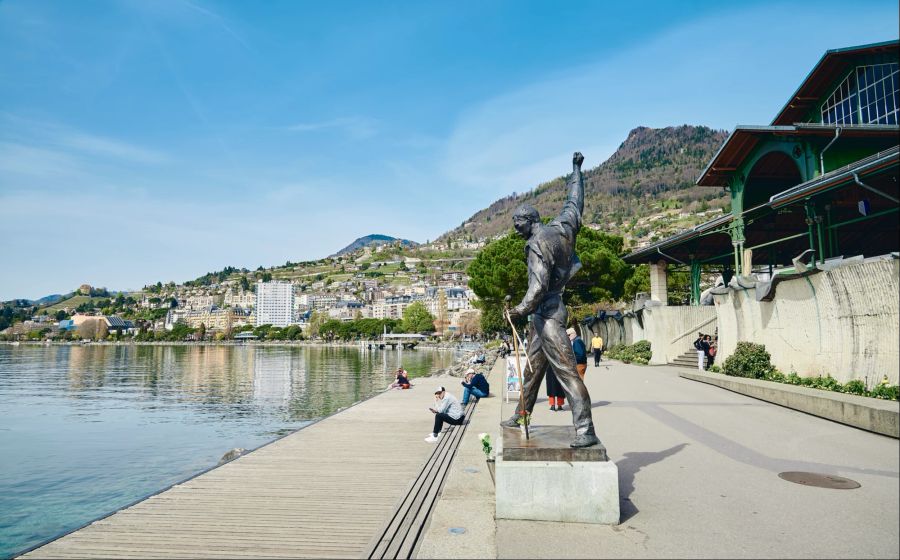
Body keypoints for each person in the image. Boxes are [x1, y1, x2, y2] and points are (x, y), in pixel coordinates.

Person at [500, 152, 600, 448]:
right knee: (532, 369)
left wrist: (519, 310)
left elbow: (539, 285)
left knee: (568, 373)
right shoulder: (561, 228)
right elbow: (574, 202)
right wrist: (576, 171)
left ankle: (585, 429)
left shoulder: (537, 245)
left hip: (549, 313)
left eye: (516, 222)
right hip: (543, 316)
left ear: (528, 221)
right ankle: (521, 414)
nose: (514, 227)